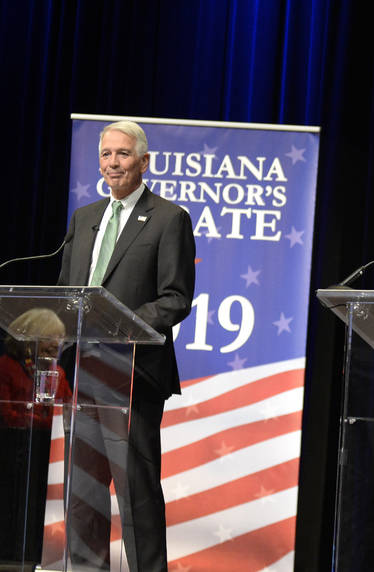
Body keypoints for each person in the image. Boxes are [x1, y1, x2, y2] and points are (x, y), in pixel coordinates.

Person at [58, 120, 195, 570]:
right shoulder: (84, 218)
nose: (112, 163)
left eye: (122, 154)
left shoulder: (168, 218)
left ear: (143, 161)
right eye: (105, 155)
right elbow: (66, 292)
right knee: (83, 493)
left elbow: (175, 298)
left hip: (131, 372)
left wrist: (119, 324)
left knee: (135, 492)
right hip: (81, 368)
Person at [0, 308, 71, 569]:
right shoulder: (6, 367)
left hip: (46, 456)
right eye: (49, 343)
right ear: (30, 341)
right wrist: (40, 420)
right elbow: (6, 415)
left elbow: (65, 412)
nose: (55, 349)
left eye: (58, 344)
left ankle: (35, 555)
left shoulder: (59, 373)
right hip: (11, 452)